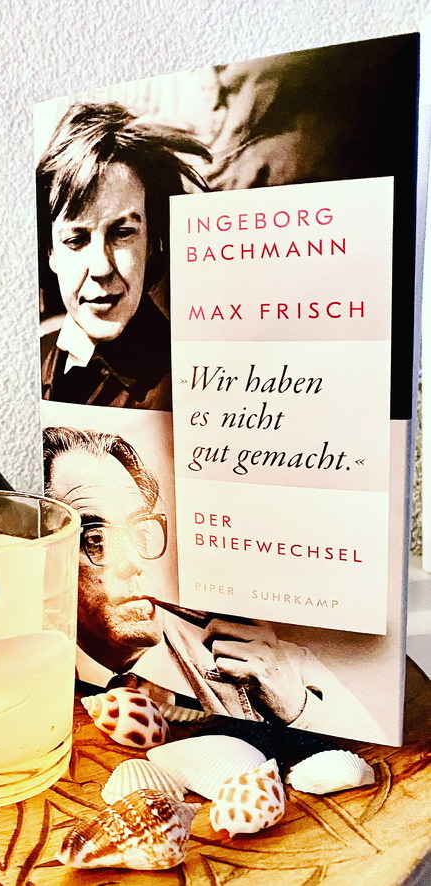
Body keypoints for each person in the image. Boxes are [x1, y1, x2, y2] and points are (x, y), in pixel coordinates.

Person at [43, 425, 384, 738]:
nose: (133, 563)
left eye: (141, 531)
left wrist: (296, 710)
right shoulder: (32, 663)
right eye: (96, 539)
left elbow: (371, 759)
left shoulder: (285, 669)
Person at [36, 102, 210, 409]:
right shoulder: (39, 354)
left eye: (123, 233)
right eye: (75, 239)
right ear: (51, 252)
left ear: (153, 241)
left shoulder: (187, 385)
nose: (101, 267)